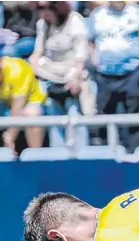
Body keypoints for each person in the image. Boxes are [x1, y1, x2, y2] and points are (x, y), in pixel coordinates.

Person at [30, 1, 94, 148]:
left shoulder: (75, 21)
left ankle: (80, 153)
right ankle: (57, 154)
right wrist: (32, 67)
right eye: (40, 8)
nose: (44, 12)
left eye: (48, 8)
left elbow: (81, 57)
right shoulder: (43, 25)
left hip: (73, 73)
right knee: (54, 116)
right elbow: (37, 52)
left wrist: (75, 79)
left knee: (74, 118)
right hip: (51, 74)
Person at [88, 1, 139, 153]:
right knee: (103, 114)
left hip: (131, 72)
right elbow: (89, 40)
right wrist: (94, 56)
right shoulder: (97, 14)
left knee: (133, 114)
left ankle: (134, 153)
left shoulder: (138, 12)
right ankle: (105, 153)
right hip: (105, 73)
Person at [0, 56, 46, 153]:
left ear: (0, 64)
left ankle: (36, 156)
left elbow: (18, 108)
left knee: (31, 113)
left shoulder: (17, 70)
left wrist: (10, 136)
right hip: (4, 101)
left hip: (29, 101)